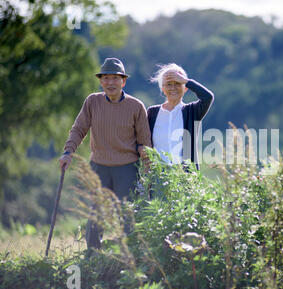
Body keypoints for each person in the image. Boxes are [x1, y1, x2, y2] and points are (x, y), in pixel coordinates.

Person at [59, 57, 152, 251]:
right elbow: (78, 129)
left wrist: (148, 167)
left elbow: (145, 143)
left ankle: (130, 258)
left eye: (115, 78)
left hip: (127, 169)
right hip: (99, 167)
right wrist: (68, 152)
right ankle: (93, 256)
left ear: (123, 81)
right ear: (101, 81)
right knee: (96, 215)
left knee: (127, 215)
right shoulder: (92, 101)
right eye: (106, 78)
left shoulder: (136, 106)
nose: (110, 83)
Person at [147, 63, 214, 170]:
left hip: (184, 175)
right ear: (163, 89)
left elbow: (207, 97)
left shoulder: (192, 111)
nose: (173, 88)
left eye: (178, 83)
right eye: (168, 84)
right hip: (157, 174)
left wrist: (187, 81)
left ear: (185, 88)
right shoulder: (152, 112)